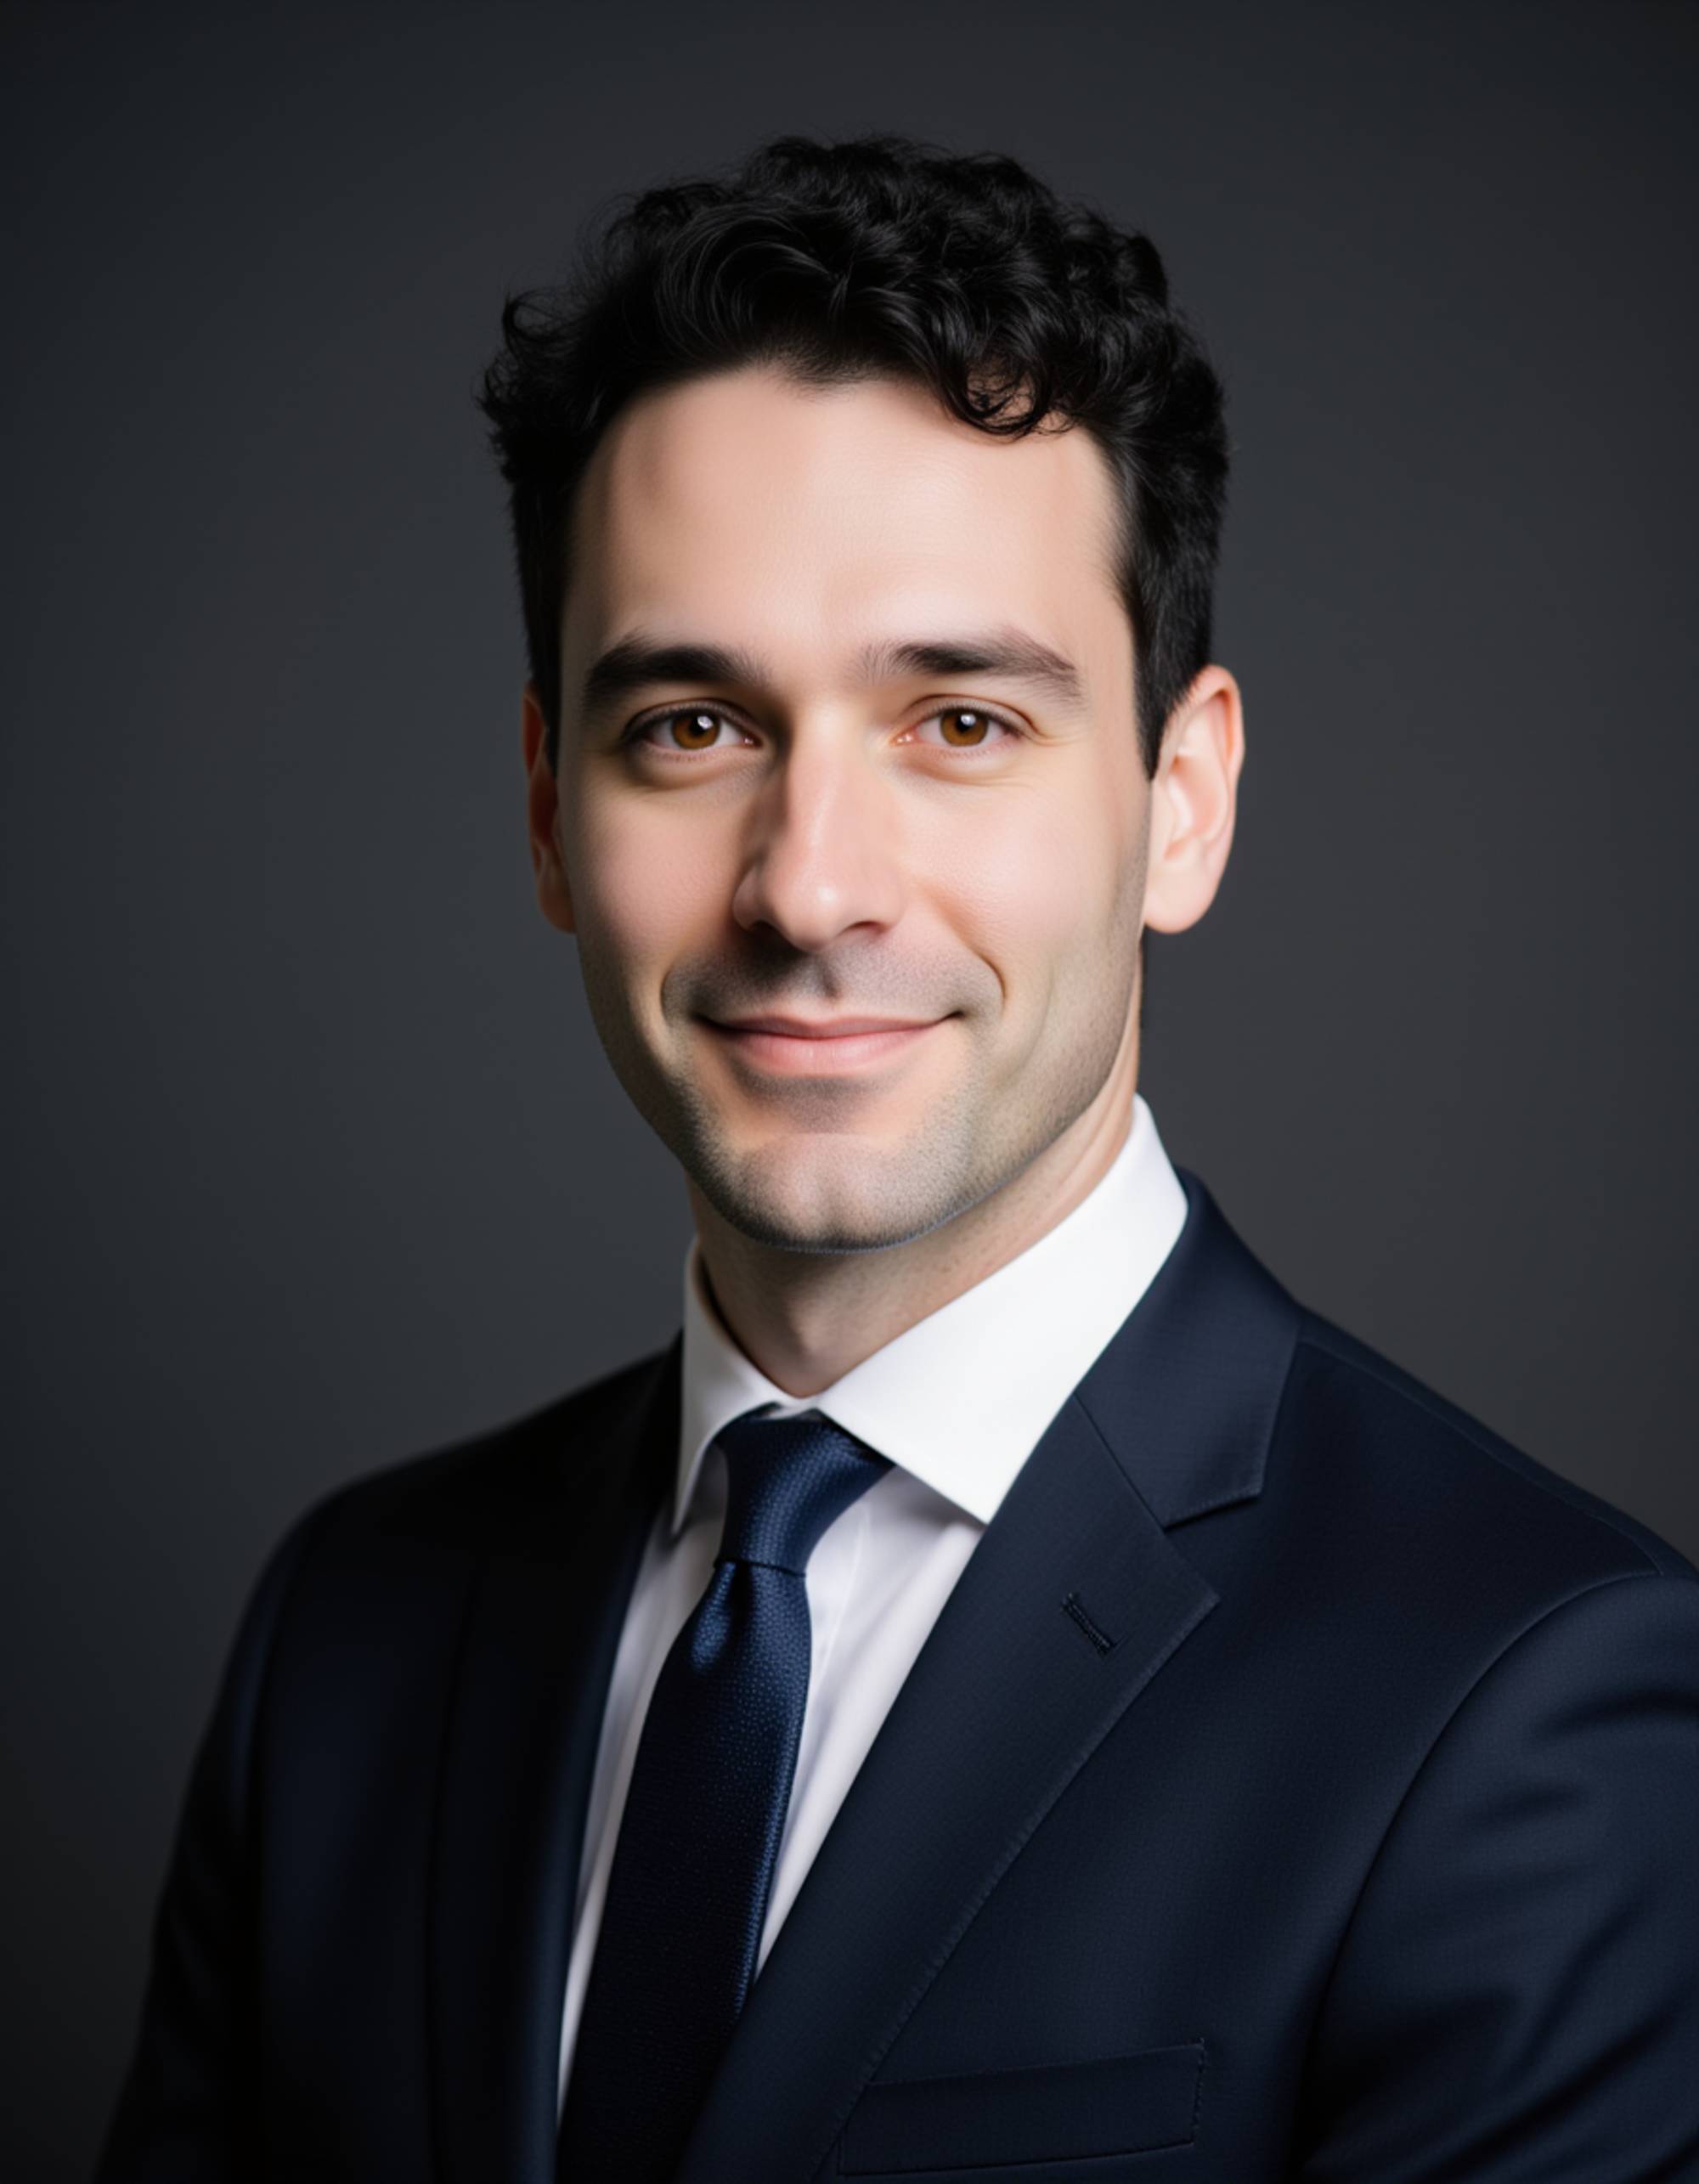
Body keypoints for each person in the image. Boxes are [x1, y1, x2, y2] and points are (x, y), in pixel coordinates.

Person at [95, 133, 1699, 2184]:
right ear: (547, 808)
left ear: (1181, 798)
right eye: (692, 725)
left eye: (959, 722)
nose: (808, 885)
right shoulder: (351, 1633)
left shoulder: (1528, 1702)